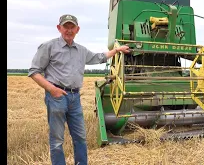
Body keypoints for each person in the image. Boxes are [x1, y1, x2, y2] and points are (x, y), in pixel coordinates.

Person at [28, 14, 130, 165]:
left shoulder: (81, 50)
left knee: (80, 137)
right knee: (57, 140)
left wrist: (117, 50)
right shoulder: (48, 47)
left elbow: (99, 57)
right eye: (66, 26)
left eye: (72, 27)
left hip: (75, 98)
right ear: (59, 28)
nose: (69, 30)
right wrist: (52, 89)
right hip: (57, 97)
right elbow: (34, 71)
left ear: (77, 29)